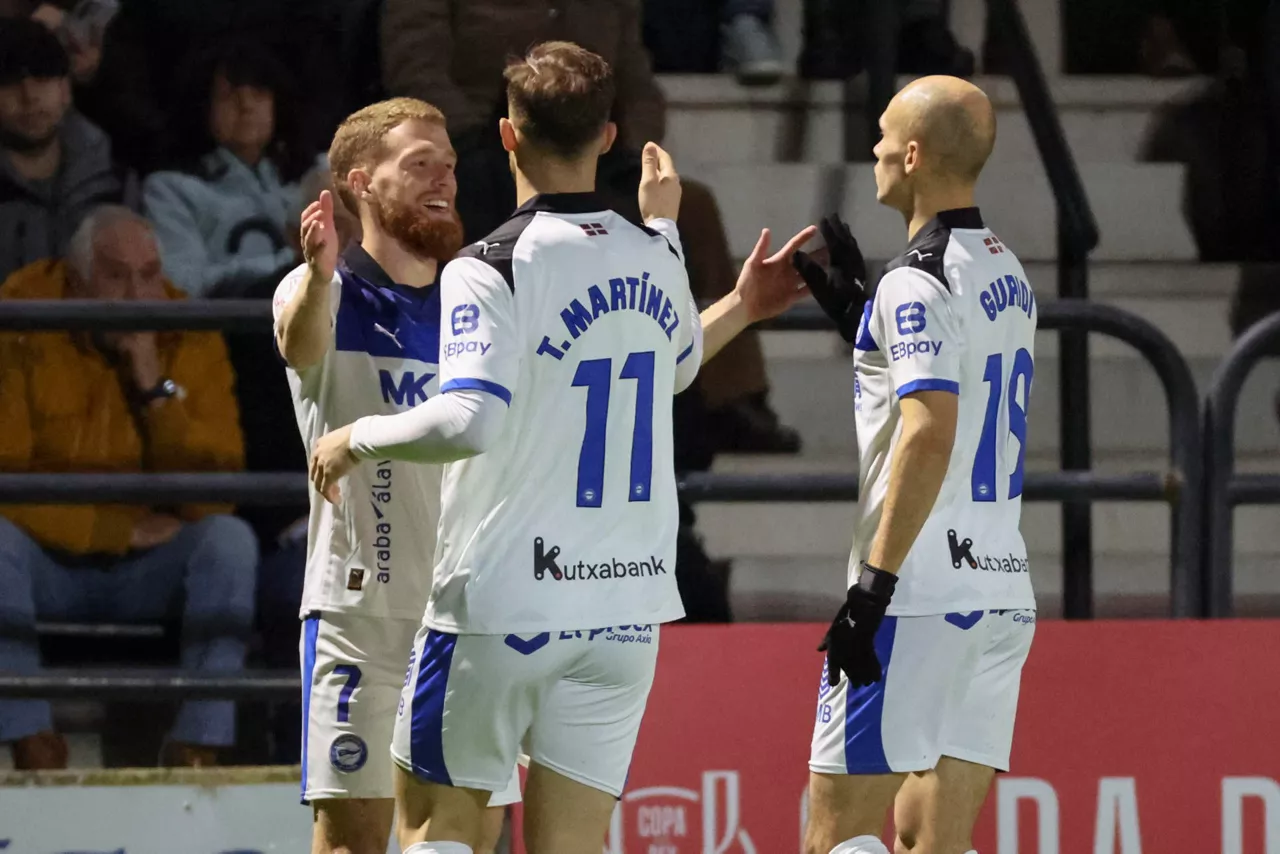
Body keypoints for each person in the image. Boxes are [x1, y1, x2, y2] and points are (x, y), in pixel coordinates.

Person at [308, 41, 813, 854]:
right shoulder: (655, 250)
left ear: (506, 137)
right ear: (610, 135)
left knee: (439, 833)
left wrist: (357, 436)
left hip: (505, 604)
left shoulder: (488, 266)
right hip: (624, 612)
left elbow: (469, 418)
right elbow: (677, 362)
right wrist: (722, 284)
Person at [381, 0, 802, 454]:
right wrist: (472, 145)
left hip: (589, 155)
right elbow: (415, 68)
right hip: (474, 152)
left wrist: (628, 150)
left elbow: (638, 84)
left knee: (692, 206)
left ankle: (732, 399)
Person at [792, 76, 1036, 854]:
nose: (874, 147)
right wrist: (867, 331)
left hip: (920, 592)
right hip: (999, 589)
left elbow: (929, 430)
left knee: (837, 836)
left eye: (884, 132)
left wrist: (874, 587)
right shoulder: (1007, 268)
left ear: (916, 153)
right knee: (932, 838)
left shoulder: (916, 281)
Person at [272, 97, 519, 854]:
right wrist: (318, 277)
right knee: (351, 842)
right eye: (419, 164)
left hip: (473, 617)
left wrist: (737, 306)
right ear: (361, 182)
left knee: (467, 842)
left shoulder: (482, 299)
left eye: (447, 163)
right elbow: (298, 342)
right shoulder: (325, 292)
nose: (443, 178)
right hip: (363, 617)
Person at [0, 206, 256, 770]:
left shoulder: (185, 329)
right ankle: (30, 741)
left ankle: (198, 745)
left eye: (149, 274)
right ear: (76, 278)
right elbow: (5, 477)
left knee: (228, 541)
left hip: (148, 566)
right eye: (116, 274)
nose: (137, 292)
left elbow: (214, 494)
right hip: (46, 560)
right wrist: (113, 529)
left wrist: (152, 385)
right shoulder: (19, 316)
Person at [142, 39, 313, 299]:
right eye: (228, 96)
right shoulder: (169, 190)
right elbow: (181, 285)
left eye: (258, 94)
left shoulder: (318, 174)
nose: (246, 107)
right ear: (202, 107)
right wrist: (289, 265)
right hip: (228, 330)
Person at [0, 15, 121, 283]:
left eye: (43, 77)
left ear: (65, 89)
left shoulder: (117, 180)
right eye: (8, 82)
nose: (29, 96)